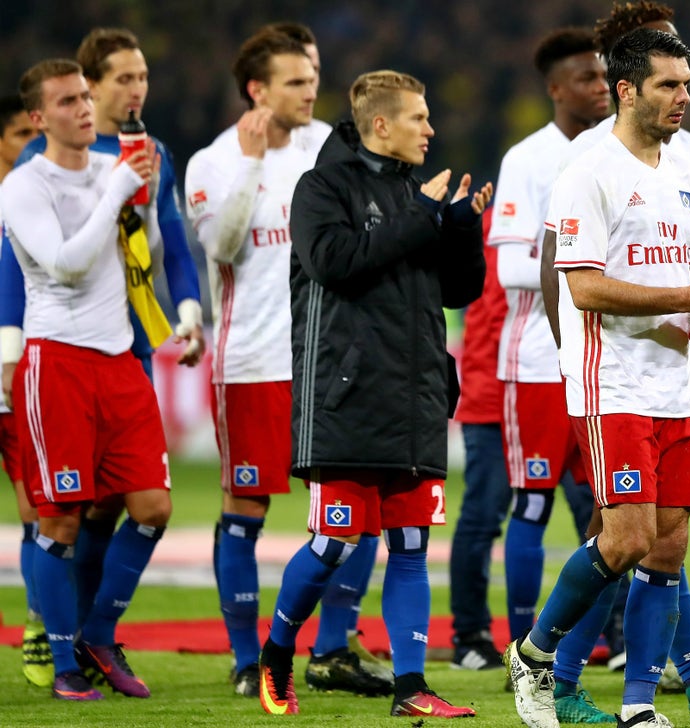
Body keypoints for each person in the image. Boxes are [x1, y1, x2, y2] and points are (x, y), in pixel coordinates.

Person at [533, 3, 690, 710]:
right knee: (621, 538)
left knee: (655, 541)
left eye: (686, 83)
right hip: (604, 374)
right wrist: (571, 364)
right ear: (627, 82)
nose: (683, 95)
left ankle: (639, 696)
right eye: (669, 82)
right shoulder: (583, 166)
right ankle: (554, 669)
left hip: (669, 377)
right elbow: (564, 274)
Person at [258, 69, 491, 718]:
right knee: (334, 544)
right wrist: (423, 218)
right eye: (419, 117)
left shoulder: (415, 196)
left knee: (412, 549)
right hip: (346, 401)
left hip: (412, 401)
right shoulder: (320, 188)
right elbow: (335, 264)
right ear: (382, 124)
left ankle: (410, 688)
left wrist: (462, 227)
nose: (431, 129)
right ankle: (278, 651)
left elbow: (456, 290)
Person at [185, 29, 390, 699]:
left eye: (314, 77)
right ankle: (248, 658)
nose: (311, 92)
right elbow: (219, 245)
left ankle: (332, 649)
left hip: (330, 364)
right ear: (257, 90)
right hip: (252, 361)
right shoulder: (212, 163)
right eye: (297, 82)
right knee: (245, 507)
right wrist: (249, 167)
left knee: (352, 513)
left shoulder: (329, 150)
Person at [0, 28, 205, 645]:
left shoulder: (151, 152)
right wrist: (9, 350)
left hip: (127, 345)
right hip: (57, 350)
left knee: (126, 500)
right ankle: (51, 629)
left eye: (143, 76)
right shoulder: (43, 161)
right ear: (87, 84)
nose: (136, 88)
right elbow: (20, 264)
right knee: (58, 507)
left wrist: (189, 309)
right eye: (123, 78)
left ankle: (91, 631)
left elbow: (167, 237)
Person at [491, 23, 608, 663]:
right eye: (586, 77)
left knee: (613, 509)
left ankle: (596, 640)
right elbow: (508, 268)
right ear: (556, 88)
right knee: (532, 505)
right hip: (537, 362)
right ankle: (520, 637)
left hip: (600, 366)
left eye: (602, 75)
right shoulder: (526, 159)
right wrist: (581, 268)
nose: (599, 86)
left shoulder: (615, 154)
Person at [447, 204, 513, 670]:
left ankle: (612, 632)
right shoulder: (488, 223)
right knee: (483, 514)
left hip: (551, 390)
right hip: (491, 387)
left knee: (594, 510)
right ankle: (469, 635)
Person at [0, 93, 47, 688]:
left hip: (20, 375)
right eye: (19, 135)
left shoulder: (42, 201)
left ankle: (38, 624)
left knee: (36, 507)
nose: (31, 146)